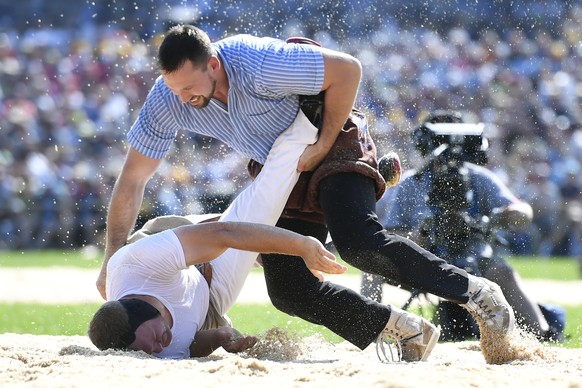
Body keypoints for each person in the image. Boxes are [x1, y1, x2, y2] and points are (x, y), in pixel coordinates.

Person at [96, 24, 516, 363]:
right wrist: (113, 259)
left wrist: (323, 142)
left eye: (191, 89)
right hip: (283, 168)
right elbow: (133, 180)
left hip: (331, 141)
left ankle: (477, 293)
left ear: (213, 63)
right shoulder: (169, 99)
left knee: (358, 244)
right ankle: (406, 331)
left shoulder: (254, 61)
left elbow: (347, 70)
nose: (185, 100)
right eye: (176, 92)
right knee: (288, 290)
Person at [361, 111, 561, 341]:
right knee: (373, 265)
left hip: (473, 259)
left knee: (504, 273)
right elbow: (391, 234)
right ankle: (370, 328)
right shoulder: (412, 182)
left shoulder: (478, 177)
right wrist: (421, 233)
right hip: (425, 261)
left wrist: (503, 216)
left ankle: (543, 334)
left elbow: (522, 212)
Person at [88, 215, 347, 358]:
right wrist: (219, 338)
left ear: (148, 309)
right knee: (262, 237)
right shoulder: (146, 349)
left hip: (178, 241)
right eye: (149, 351)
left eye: (154, 341)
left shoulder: (140, 262)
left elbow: (225, 231)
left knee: (250, 220)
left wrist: (301, 245)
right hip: (207, 301)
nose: (157, 348)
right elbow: (187, 345)